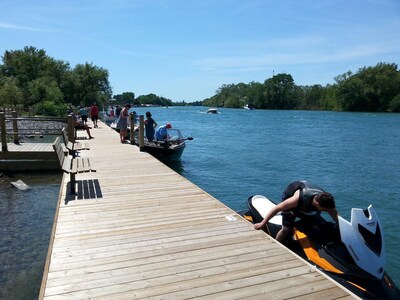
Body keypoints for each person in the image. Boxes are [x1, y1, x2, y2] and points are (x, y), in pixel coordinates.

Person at [254, 180, 338, 243]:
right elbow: (276, 209)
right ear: (317, 204)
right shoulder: (295, 200)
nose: (325, 211)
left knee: (318, 223)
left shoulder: (326, 201)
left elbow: (336, 217)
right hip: (290, 196)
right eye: (324, 209)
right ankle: (276, 244)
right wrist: (263, 223)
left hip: (308, 203)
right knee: (286, 229)